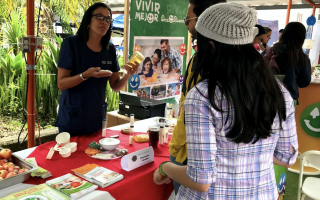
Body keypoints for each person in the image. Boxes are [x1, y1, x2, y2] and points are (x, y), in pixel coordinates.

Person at [154, 3, 298, 199]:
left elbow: (200, 180)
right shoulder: (279, 91)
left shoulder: (203, 96)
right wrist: (249, 155)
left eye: (198, 44)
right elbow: (287, 157)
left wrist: (165, 168)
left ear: (211, 46)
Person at [168, 0, 226, 195]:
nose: (186, 25)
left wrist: (169, 161)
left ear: (204, 20)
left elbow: (189, 113)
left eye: (188, 19)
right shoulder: (251, 72)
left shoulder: (203, 62)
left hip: (191, 157)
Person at [55, 3, 139, 136]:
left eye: (107, 19)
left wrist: (128, 75)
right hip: (72, 118)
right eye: (99, 17)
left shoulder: (109, 49)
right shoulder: (71, 44)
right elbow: (61, 84)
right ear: (88, 21)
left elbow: (115, 86)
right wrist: (84, 75)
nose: (104, 22)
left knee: (94, 153)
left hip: (95, 118)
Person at [267, 22, 311, 103]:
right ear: (302, 37)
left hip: (266, 97)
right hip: (288, 99)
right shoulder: (301, 58)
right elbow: (304, 83)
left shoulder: (269, 51)